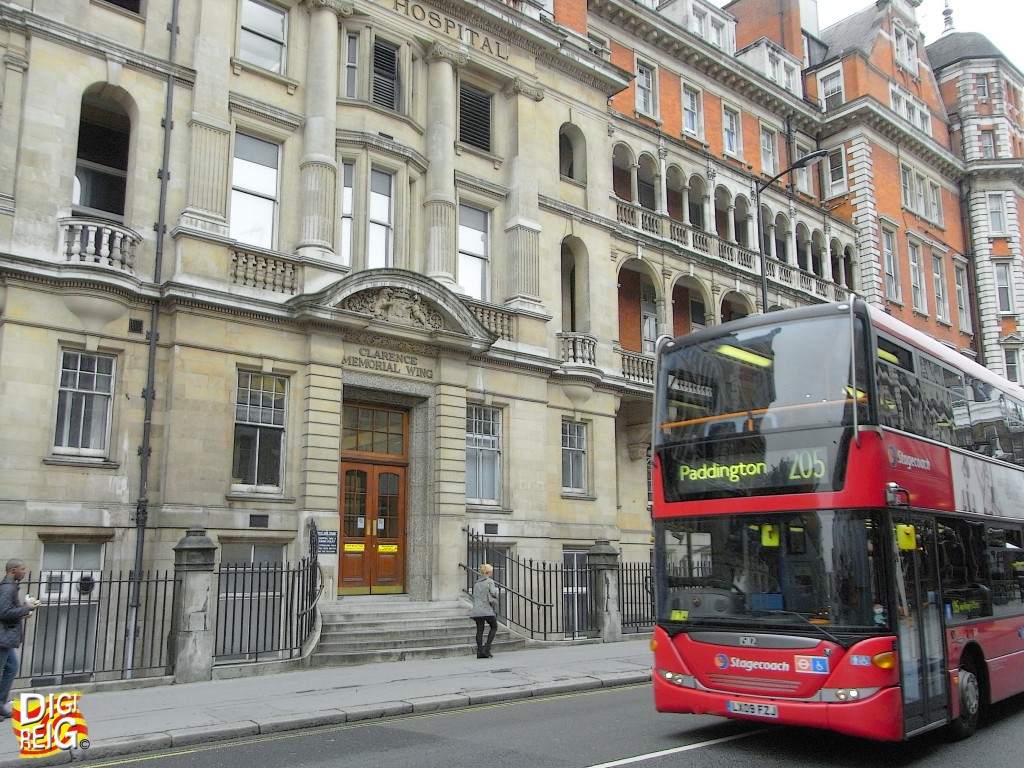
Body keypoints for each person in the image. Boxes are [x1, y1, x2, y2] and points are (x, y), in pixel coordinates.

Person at [0, 558, 40, 718]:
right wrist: (26, 608)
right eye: (22, 569)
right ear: (13, 570)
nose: (24, 572)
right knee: (8, 669)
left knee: (11, 668)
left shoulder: (9, 587)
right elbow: (3, 612)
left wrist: (23, 611)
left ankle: (1, 704)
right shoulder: (8, 589)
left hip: (6, 638)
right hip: (3, 638)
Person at [469, 563, 499, 659]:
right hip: (486, 609)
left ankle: (480, 651)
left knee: (479, 630)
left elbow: (475, 596)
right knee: (494, 626)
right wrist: (497, 591)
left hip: (476, 609)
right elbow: (493, 593)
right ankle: (487, 647)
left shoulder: (476, 583)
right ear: (489, 572)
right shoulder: (489, 581)